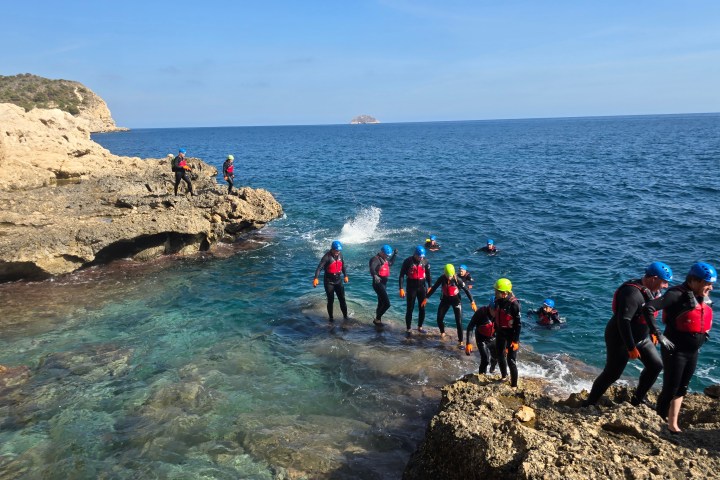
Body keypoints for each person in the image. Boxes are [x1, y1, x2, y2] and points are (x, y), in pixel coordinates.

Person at [584, 261, 674, 407]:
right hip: (620, 338)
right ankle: (589, 403)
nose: (666, 286)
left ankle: (638, 398)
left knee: (656, 365)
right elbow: (623, 322)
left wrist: (653, 331)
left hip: (642, 337)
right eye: (664, 282)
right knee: (612, 373)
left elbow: (649, 313)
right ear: (654, 278)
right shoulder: (631, 293)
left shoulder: (654, 291)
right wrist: (631, 347)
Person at [643, 262, 716, 434]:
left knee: (682, 387)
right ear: (694, 280)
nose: (711, 288)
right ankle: (659, 423)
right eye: (707, 283)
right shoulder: (675, 294)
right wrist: (658, 334)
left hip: (692, 351)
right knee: (670, 388)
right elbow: (649, 307)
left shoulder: (700, 296)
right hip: (676, 350)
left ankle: (673, 424)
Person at [424, 264, 476, 348]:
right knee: (439, 318)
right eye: (447, 275)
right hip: (445, 300)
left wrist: (472, 301)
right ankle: (442, 333)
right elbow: (434, 288)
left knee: (458, 322)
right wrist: (426, 298)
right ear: (444, 273)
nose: (449, 277)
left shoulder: (457, 279)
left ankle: (461, 342)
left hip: (456, 301)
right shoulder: (442, 278)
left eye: (451, 276)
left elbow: (466, 290)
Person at [493, 278, 521, 387]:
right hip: (500, 332)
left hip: (511, 335)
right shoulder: (498, 301)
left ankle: (514, 385)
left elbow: (518, 324)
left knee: (511, 361)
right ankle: (504, 376)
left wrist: (515, 341)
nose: (495, 293)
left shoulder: (514, 305)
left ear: (504, 293)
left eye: (497, 291)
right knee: (500, 355)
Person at [398, 246, 432, 334]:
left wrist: (430, 286)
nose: (421, 258)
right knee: (410, 308)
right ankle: (408, 328)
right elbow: (401, 275)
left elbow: (428, 275)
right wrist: (401, 288)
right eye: (419, 256)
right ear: (415, 254)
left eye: (422, 256)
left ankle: (420, 327)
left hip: (422, 288)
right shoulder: (408, 261)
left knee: (422, 308)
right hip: (411, 288)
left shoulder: (425, 261)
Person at [313, 240, 349, 322]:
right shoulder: (326, 257)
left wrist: (345, 275)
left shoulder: (340, 255)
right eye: (336, 250)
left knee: (342, 299)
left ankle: (346, 317)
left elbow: (343, 266)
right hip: (329, 282)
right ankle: (331, 318)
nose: (337, 252)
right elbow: (319, 268)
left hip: (338, 280)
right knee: (330, 300)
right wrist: (316, 278)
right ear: (332, 249)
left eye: (339, 250)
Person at [466, 296, 498, 373]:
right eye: (495, 311)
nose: (496, 313)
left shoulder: (499, 314)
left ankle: (492, 369)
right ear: (490, 308)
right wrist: (468, 343)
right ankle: (481, 376)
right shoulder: (481, 313)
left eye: (498, 311)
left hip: (493, 337)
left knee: (496, 357)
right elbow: (470, 327)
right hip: (481, 339)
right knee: (485, 360)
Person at [368, 244, 397, 326]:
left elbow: (390, 263)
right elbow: (372, 268)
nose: (387, 257)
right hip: (378, 283)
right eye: (386, 255)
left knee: (380, 303)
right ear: (382, 252)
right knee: (387, 304)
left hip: (384, 284)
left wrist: (394, 254)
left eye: (388, 255)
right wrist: (375, 275)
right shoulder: (375, 259)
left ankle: (378, 321)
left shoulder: (384, 259)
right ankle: (377, 319)